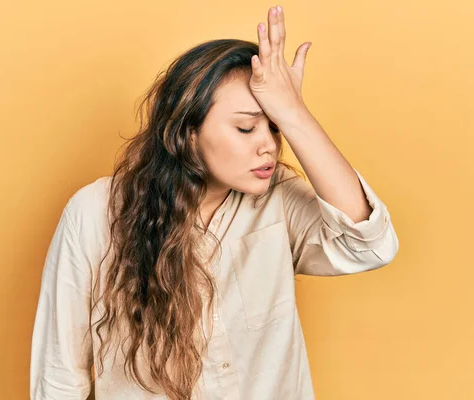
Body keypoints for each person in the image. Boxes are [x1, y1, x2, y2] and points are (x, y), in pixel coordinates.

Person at [30, 5, 399, 400]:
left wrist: (294, 114)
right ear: (187, 134)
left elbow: (369, 245)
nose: (269, 145)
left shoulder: (278, 199)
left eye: (274, 127)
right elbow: (59, 375)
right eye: (245, 127)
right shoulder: (94, 214)